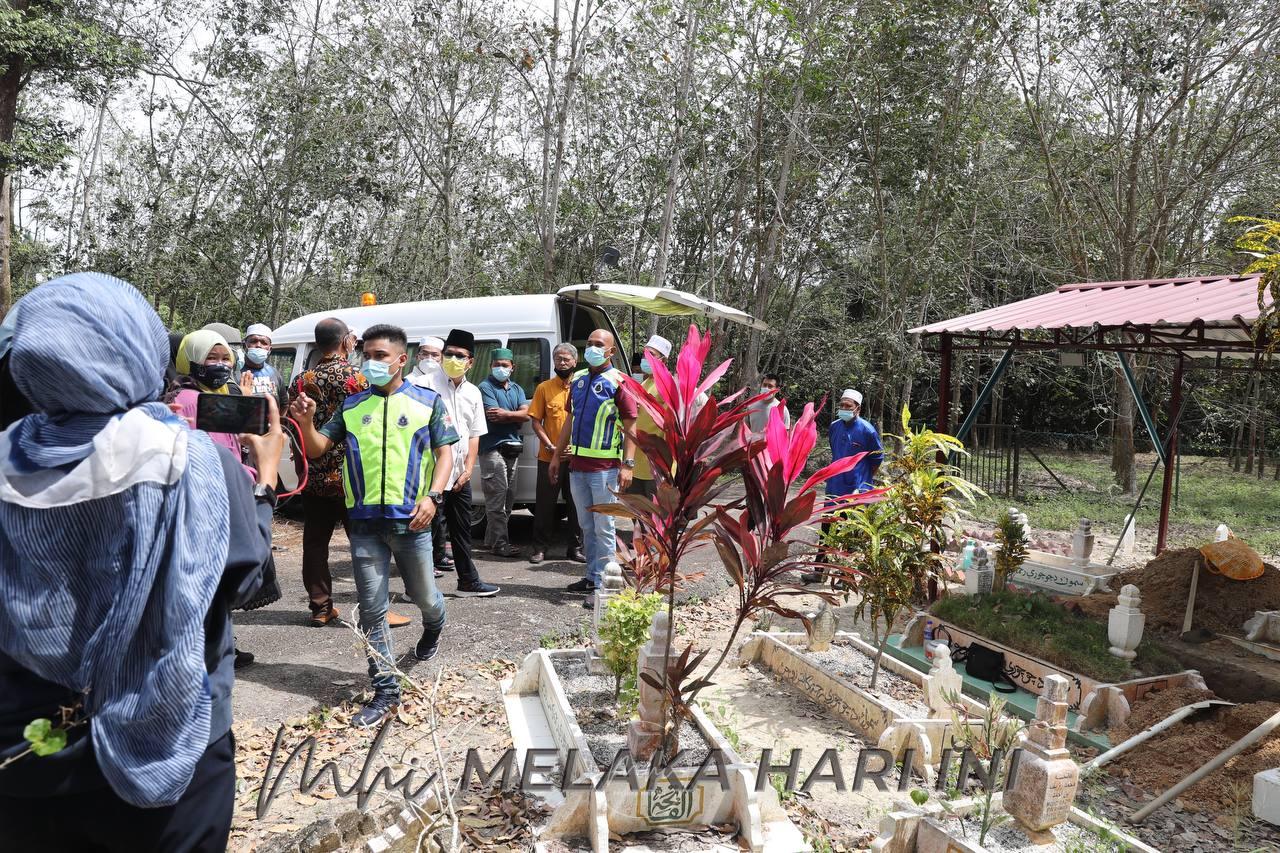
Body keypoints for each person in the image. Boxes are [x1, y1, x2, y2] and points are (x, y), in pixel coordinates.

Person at [0, 272, 279, 852]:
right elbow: (246, 579)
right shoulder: (193, 459)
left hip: (27, 750)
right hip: (170, 748)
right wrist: (266, 480)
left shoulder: (7, 456)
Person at [290, 324, 458, 728]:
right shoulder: (351, 406)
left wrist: (433, 497)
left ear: (402, 359)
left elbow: (446, 455)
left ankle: (435, 624)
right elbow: (317, 450)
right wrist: (307, 422)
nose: (371, 362)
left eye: (381, 356)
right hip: (364, 524)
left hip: (412, 522)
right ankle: (385, 688)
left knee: (424, 596)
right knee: (371, 608)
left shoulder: (427, 402)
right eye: (367, 354)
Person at [288, 318, 410, 628]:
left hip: (314, 474)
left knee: (315, 543)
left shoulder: (301, 380)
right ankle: (376, 609)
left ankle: (320, 606)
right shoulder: (360, 378)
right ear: (346, 342)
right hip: (354, 477)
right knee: (366, 545)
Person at [549, 328, 638, 609]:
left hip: (605, 469)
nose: (592, 348)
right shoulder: (577, 379)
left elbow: (631, 426)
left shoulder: (620, 382)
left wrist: (628, 464)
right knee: (586, 526)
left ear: (611, 351)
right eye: (589, 343)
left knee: (604, 527)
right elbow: (569, 420)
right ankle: (591, 576)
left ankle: (605, 585)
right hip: (577, 466)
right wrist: (555, 456)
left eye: (598, 344)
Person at [409, 329, 499, 597]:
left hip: (459, 475)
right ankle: (417, 589)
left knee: (462, 531)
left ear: (470, 361)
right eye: (449, 354)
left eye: (460, 356)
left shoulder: (472, 392)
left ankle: (468, 581)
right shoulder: (423, 386)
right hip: (430, 476)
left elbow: (474, 434)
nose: (453, 359)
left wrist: (468, 469)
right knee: (424, 533)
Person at [803, 388, 883, 583]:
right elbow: (836, 451)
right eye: (842, 405)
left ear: (858, 408)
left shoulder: (867, 430)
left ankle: (845, 576)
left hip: (856, 488)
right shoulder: (835, 427)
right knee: (827, 530)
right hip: (835, 485)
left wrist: (863, 479)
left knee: (850, 532)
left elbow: (877, 458)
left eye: (849, 406)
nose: (844, 409)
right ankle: (819, 572)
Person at [528, 343, 584, 565]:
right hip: (548, 457)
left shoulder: (582, 386)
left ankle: (575, 548)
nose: (562, 363)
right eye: (558, 359)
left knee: (576, 504)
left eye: (566, 359)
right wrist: (551, 445)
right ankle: (540, 548)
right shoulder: (544, 388)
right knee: (544, 505)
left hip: (576, 459)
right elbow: (535, 421)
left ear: (575, 361)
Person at [478, 346, 529, 558]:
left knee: (509, 497)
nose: (500, 368)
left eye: (504, 365)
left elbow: (527, 415)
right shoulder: (485, 387)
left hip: (512, 448)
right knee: (496, 498)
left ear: (512, 367)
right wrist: (516, 415)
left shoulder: (517, 388)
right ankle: (500, 544)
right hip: (492, 448)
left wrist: (508, 414)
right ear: (491, 366)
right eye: (497, 365)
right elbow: (492, 415)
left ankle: (491, 540)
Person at [410, 337, 455, 576]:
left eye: (435, 355)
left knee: (439, 513)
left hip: (442, 454)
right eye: (425, 354)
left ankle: (438, 556)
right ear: (416, 356)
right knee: (422, 512)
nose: (430, 359)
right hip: (418, 458)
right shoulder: (407, 382)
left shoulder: (444, 381)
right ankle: (425, 562)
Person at [628, 334, 672, 500]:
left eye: (651, 355)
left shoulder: (668, 383)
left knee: (657, 517)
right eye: (645, 353)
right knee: (639, 515)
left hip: (657, 464)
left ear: (664, 360)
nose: (646, 358)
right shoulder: (645, 383)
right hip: (637, 462)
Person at [241, 323, 288, 412]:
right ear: (244, 346)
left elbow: (284, 404)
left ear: (269, 350)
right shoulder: (235, 373)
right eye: (253, 341)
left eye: (264, 343)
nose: (258, 345)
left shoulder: (274, 373)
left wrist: (277, 423)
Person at [746, 372, 792, 439]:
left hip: (770, 449)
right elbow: (746, 429)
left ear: (777, 389)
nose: (766, 388)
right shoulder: (751, 406)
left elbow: (785, 435)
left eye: (770, 386)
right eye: (764, 385)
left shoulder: (782, 409)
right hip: (752, 448)